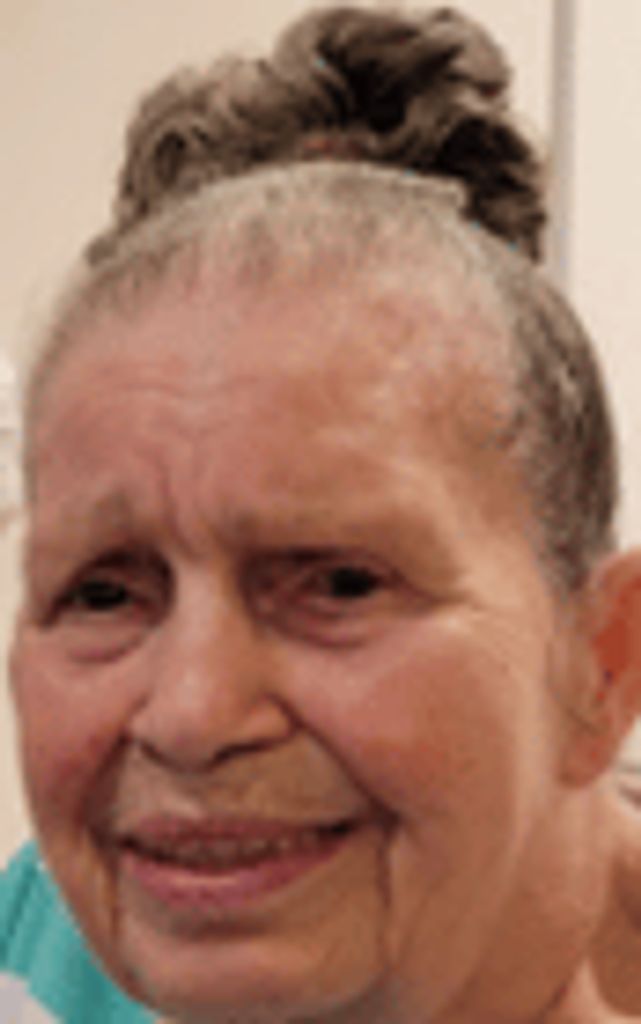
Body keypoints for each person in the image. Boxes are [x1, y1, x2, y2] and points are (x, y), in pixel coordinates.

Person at [2, 4, 641, 1022]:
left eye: (339, 583)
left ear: (599, 663)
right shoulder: (52, 931)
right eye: (106, 592)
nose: (191, 714)